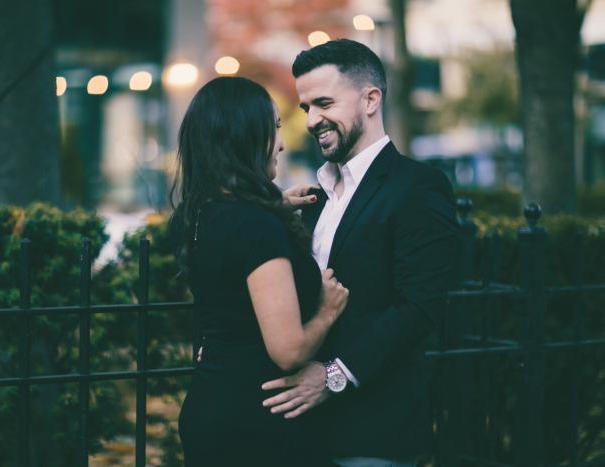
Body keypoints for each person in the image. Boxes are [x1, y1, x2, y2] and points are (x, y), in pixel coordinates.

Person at [261, 39, 458, 467]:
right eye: (305, 108)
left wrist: (332, 377)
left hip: (374, 432)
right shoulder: (313, 198)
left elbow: (420, 308)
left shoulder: (418, 187)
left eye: (325, 103)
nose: (312, 120)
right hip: (300, 433)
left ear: (371, 99)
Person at [169, 76, 349, 467]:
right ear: (245, 136)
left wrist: (273, 208)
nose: (281, 143)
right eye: (274, 129)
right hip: (258, 422)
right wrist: (327, 312)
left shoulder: (192, 217)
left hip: (208, 406)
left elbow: (229, 275)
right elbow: (288, 351)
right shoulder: (254, 227)